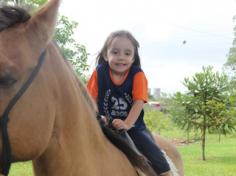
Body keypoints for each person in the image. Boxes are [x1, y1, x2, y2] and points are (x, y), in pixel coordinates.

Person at [87, 30, 171, 176]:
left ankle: (166, 173)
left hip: (133, 126)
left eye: (127, 53)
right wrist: (97, 116)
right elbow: (90, 98)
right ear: (106, 55)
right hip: (103, 124)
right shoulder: (99, 72)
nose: (121, 57)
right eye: (115, 52)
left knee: (153, 152)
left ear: (133, 58)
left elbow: (138, 102)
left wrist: (126, 124)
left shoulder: (137, 75)